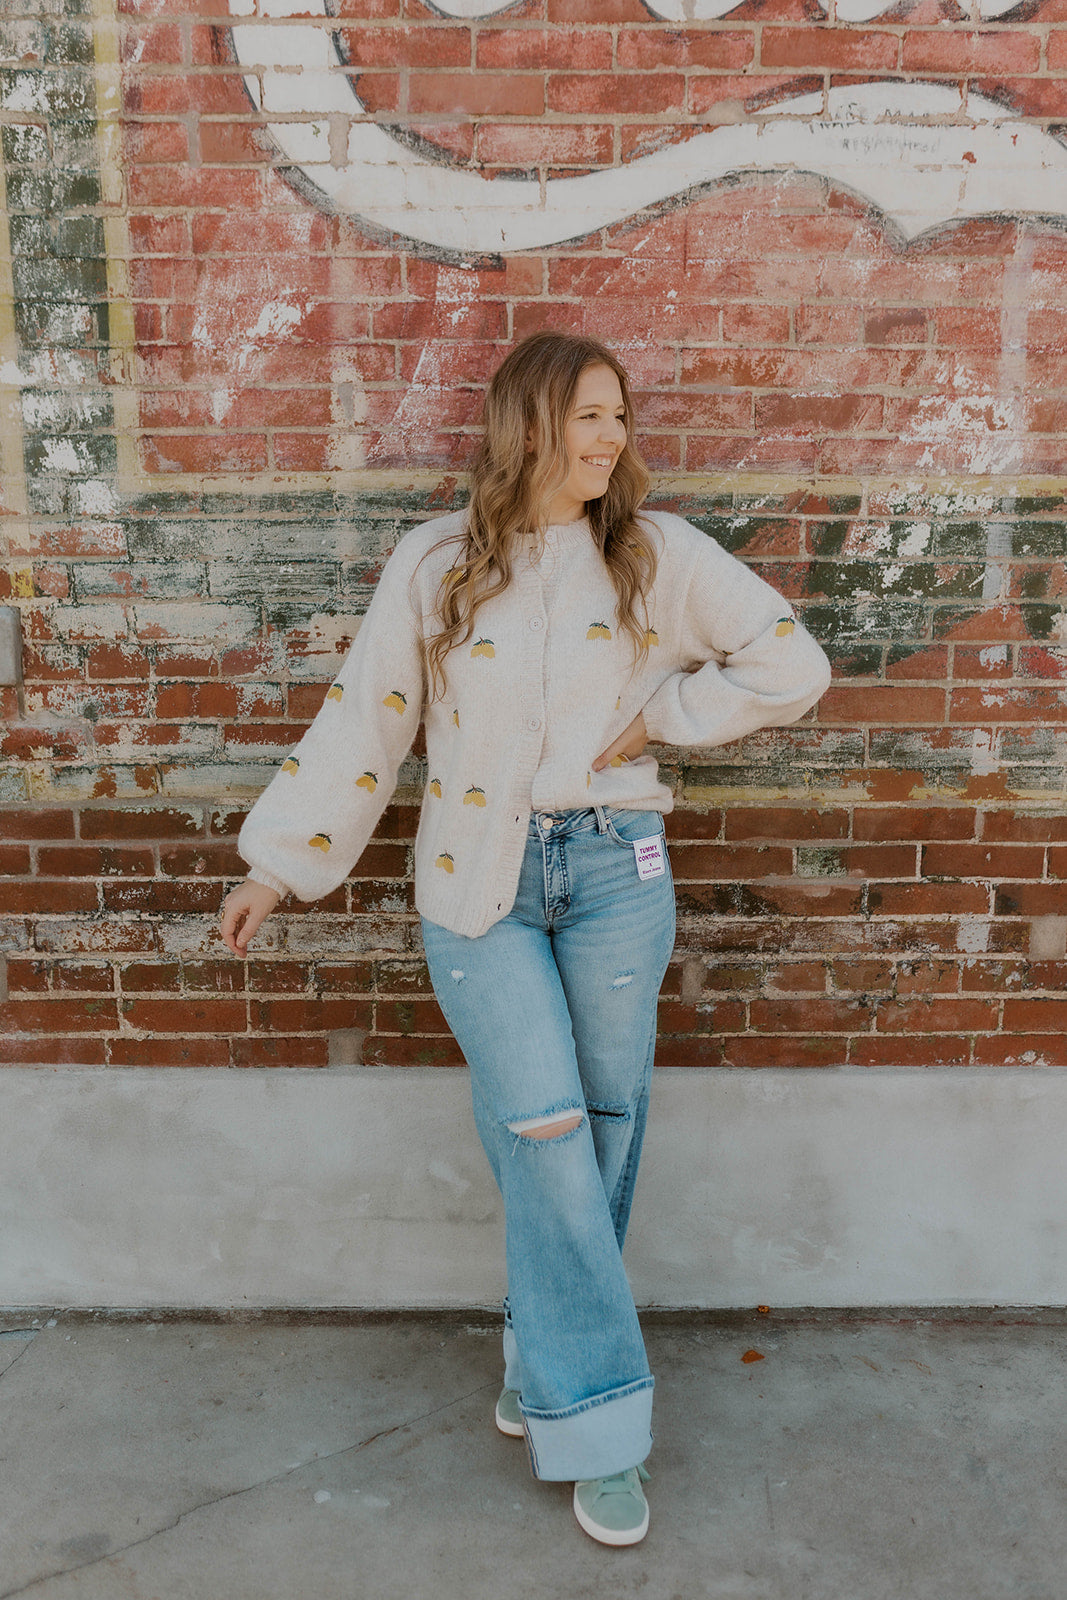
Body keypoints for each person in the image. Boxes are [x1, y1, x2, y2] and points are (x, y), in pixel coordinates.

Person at [220, 330, 831, 1546]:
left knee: (601, 1126)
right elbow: (364, 723)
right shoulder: (437, 562)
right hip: (475, 888)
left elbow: (789, 663)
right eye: (588, 417)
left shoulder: (653, 554)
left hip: (617, 871)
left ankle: (539, 1351)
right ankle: (597, 1425)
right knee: (545, 1129)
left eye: (618, 417)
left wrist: (665, 713)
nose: (611, 439)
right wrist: (276, 867)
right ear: (528, 426)